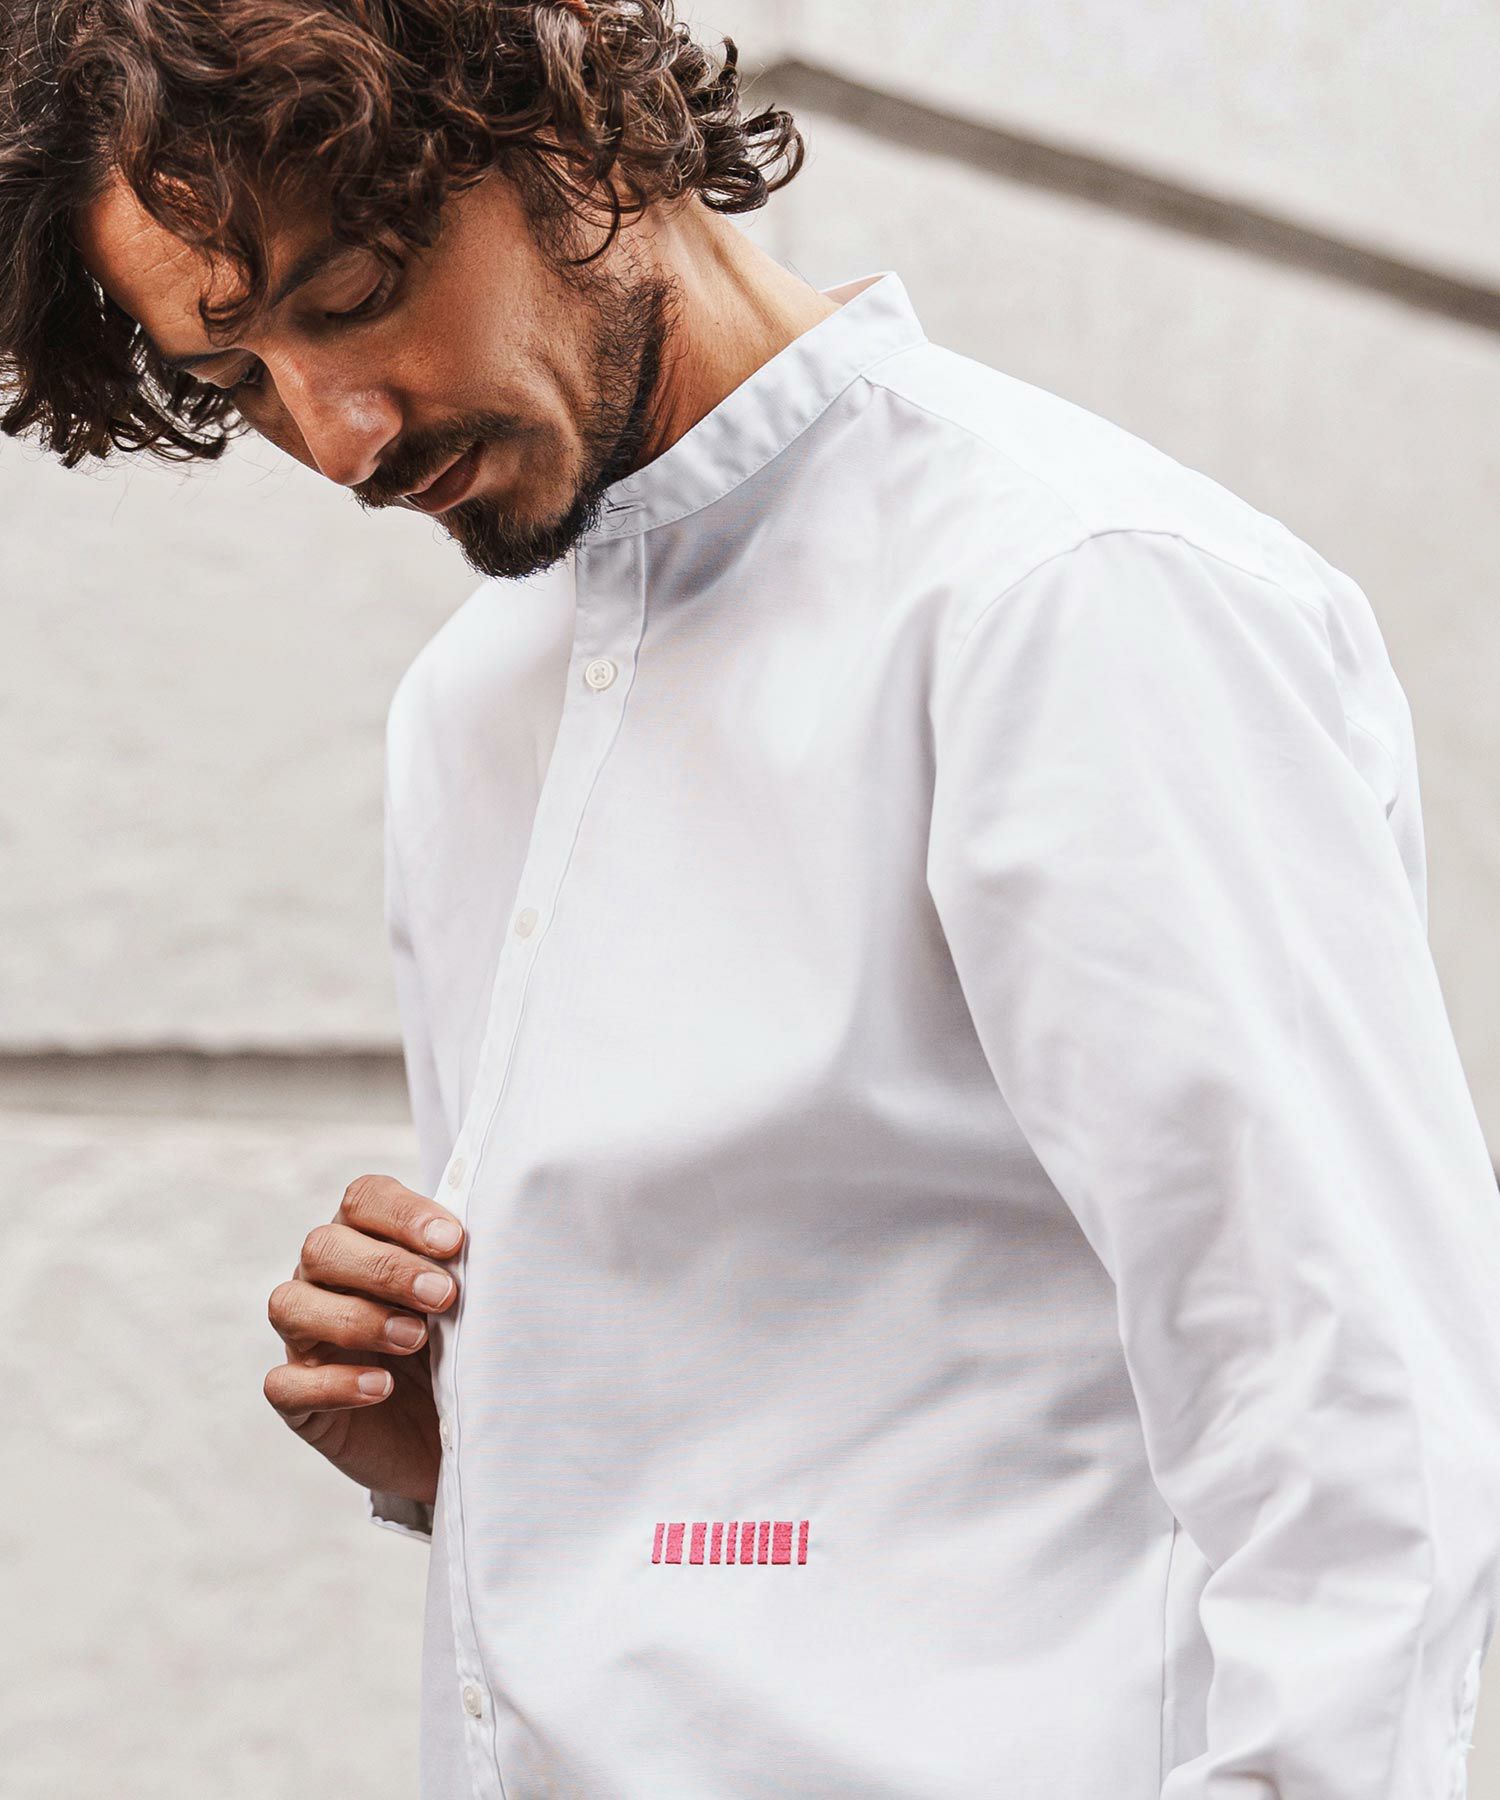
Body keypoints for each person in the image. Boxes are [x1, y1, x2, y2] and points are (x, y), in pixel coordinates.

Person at [4, 2, 1499, 1795]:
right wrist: (484, 1436)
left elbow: (1358, 1431)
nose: (336, 437)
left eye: (351, 296)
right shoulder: (469, 713)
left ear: (568, 124)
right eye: (240, 377)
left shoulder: (1069, 598)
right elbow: (819, 1437)